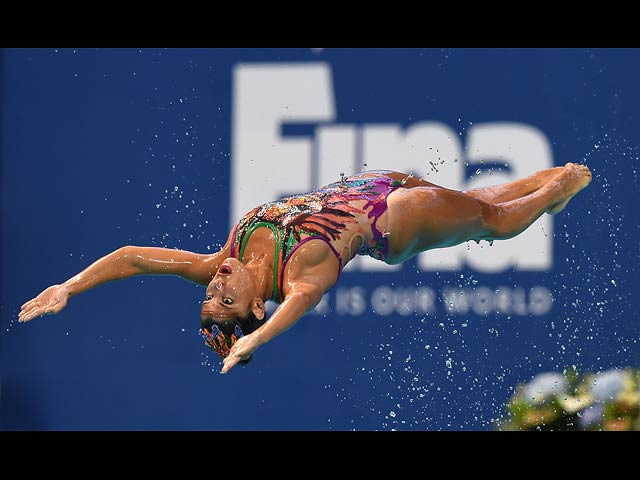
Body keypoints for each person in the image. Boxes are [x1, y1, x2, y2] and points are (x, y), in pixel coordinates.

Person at [18, 163, 592, 373]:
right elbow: (299, 305)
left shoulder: (224, 258)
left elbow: (133, 258)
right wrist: (254, 343)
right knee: (492, 220)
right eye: (226, 302)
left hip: (370, 181)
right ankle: (556, 191)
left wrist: (69, 286)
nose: (216, 285)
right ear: (256, 307)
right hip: (391, 219)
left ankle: (544, 186)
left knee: (477, 202)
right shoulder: (301, 276)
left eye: (210, 294)